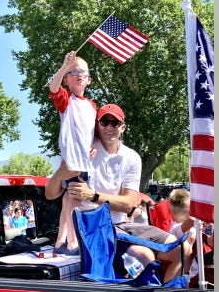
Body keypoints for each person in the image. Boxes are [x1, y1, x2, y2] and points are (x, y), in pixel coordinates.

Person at [46, 104, 192, 283]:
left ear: (122, 127)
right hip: (95, 228)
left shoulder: (132, 157)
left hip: (123, 224)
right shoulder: (83, 151)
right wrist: (62, 171)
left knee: (184, 249)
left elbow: (128, 203)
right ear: (96, 125)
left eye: (115, 123)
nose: (109, 127)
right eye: (104, 122)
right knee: (143, 256)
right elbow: (50, 194)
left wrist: (92, 195)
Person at [48, 51, 97, 255]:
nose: (78, 74)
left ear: (89, 80)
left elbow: (93, 131)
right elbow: (53, 88)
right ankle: (72, 240)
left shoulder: (93, 106)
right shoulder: (67, 100)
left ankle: (61, 239)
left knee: (68, 199)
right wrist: (64, 66)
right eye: (73, 71)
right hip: (73, 160)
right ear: (67, 79)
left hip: (86, 160)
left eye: (82, 72)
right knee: (74, 200)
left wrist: (95, 144)